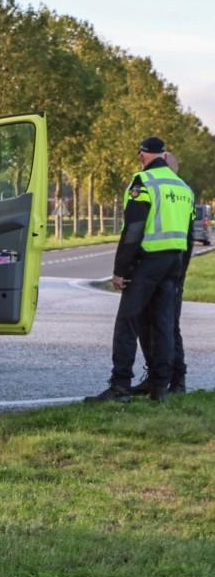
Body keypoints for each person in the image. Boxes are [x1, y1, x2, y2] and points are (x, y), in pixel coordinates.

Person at [86, 137, 194, 404]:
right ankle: (160, 387)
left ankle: (120, 386)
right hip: (174, 263)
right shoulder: (183, 188)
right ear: (164, 156)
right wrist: (181, 273)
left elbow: (133, 230)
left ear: (143, 156)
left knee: (127, 322)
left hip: (147, 262)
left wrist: (120, 270)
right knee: (164, 324)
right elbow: (190, 236)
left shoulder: (142, 182)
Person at [130, 150, 194, 394]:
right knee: (153, 324)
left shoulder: (176, 191)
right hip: (167, 268)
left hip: (164, 269)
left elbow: (185, 239)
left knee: (167, 326)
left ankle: (175, 380)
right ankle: (159, 379)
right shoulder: (180, 191)